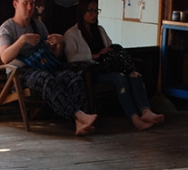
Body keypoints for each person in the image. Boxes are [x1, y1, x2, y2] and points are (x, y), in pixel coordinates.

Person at [0, 0, 98, 136]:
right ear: (15, 4)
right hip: (20, 73)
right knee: (45, 79)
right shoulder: (7, 28)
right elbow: (4, 57)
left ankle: (79, 124)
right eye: (25, 3)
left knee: (72, 77)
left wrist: (60, 43)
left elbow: (53, 55)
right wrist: (22, 40)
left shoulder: (38, 25)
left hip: (43, 67)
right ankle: (80, 115)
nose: (29, 7)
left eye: (32, 3)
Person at [63, 0, 164, 130]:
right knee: (120, 78)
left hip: (109, 67)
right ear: (82, 12)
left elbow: (109, 47)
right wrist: (96, 55)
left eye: (96, 10)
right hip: (93, 72)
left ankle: (145, 111)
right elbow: (72, 57)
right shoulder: (72, 34)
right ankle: (134, 118)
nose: (94, 14)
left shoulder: (99, 30)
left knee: (134, 74)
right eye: (91, 11)